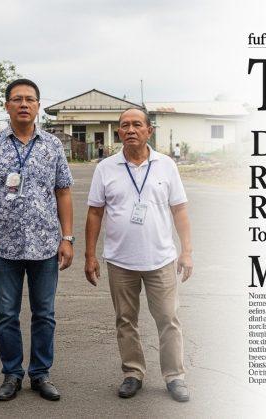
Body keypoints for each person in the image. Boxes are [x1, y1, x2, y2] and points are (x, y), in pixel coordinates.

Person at [0, 79, 74, 402]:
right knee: (6, 315)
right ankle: (12, 374)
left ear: (39, 105)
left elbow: (63, 191)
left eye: (30, 99)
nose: (24, 104)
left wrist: (67, 237)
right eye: (17, 99)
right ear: (7, 106)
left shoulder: (53, 145)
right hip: (3, 246)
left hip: (45, 245)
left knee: (44, 314)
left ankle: (41, 373)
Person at [85, 108, 194, 402]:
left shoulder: (166, 165)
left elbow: (179, 210)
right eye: (124, 126)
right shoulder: (106, 168)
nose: (130, 129)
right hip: (121, 260)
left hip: (161, 259)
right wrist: (89, 255)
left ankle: (175, 376)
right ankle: (133, 373)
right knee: (125, 319)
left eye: (136, 124)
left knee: (168, 318)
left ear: (149, 130)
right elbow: (95, 213)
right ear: (119, 133)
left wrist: (187, 251)